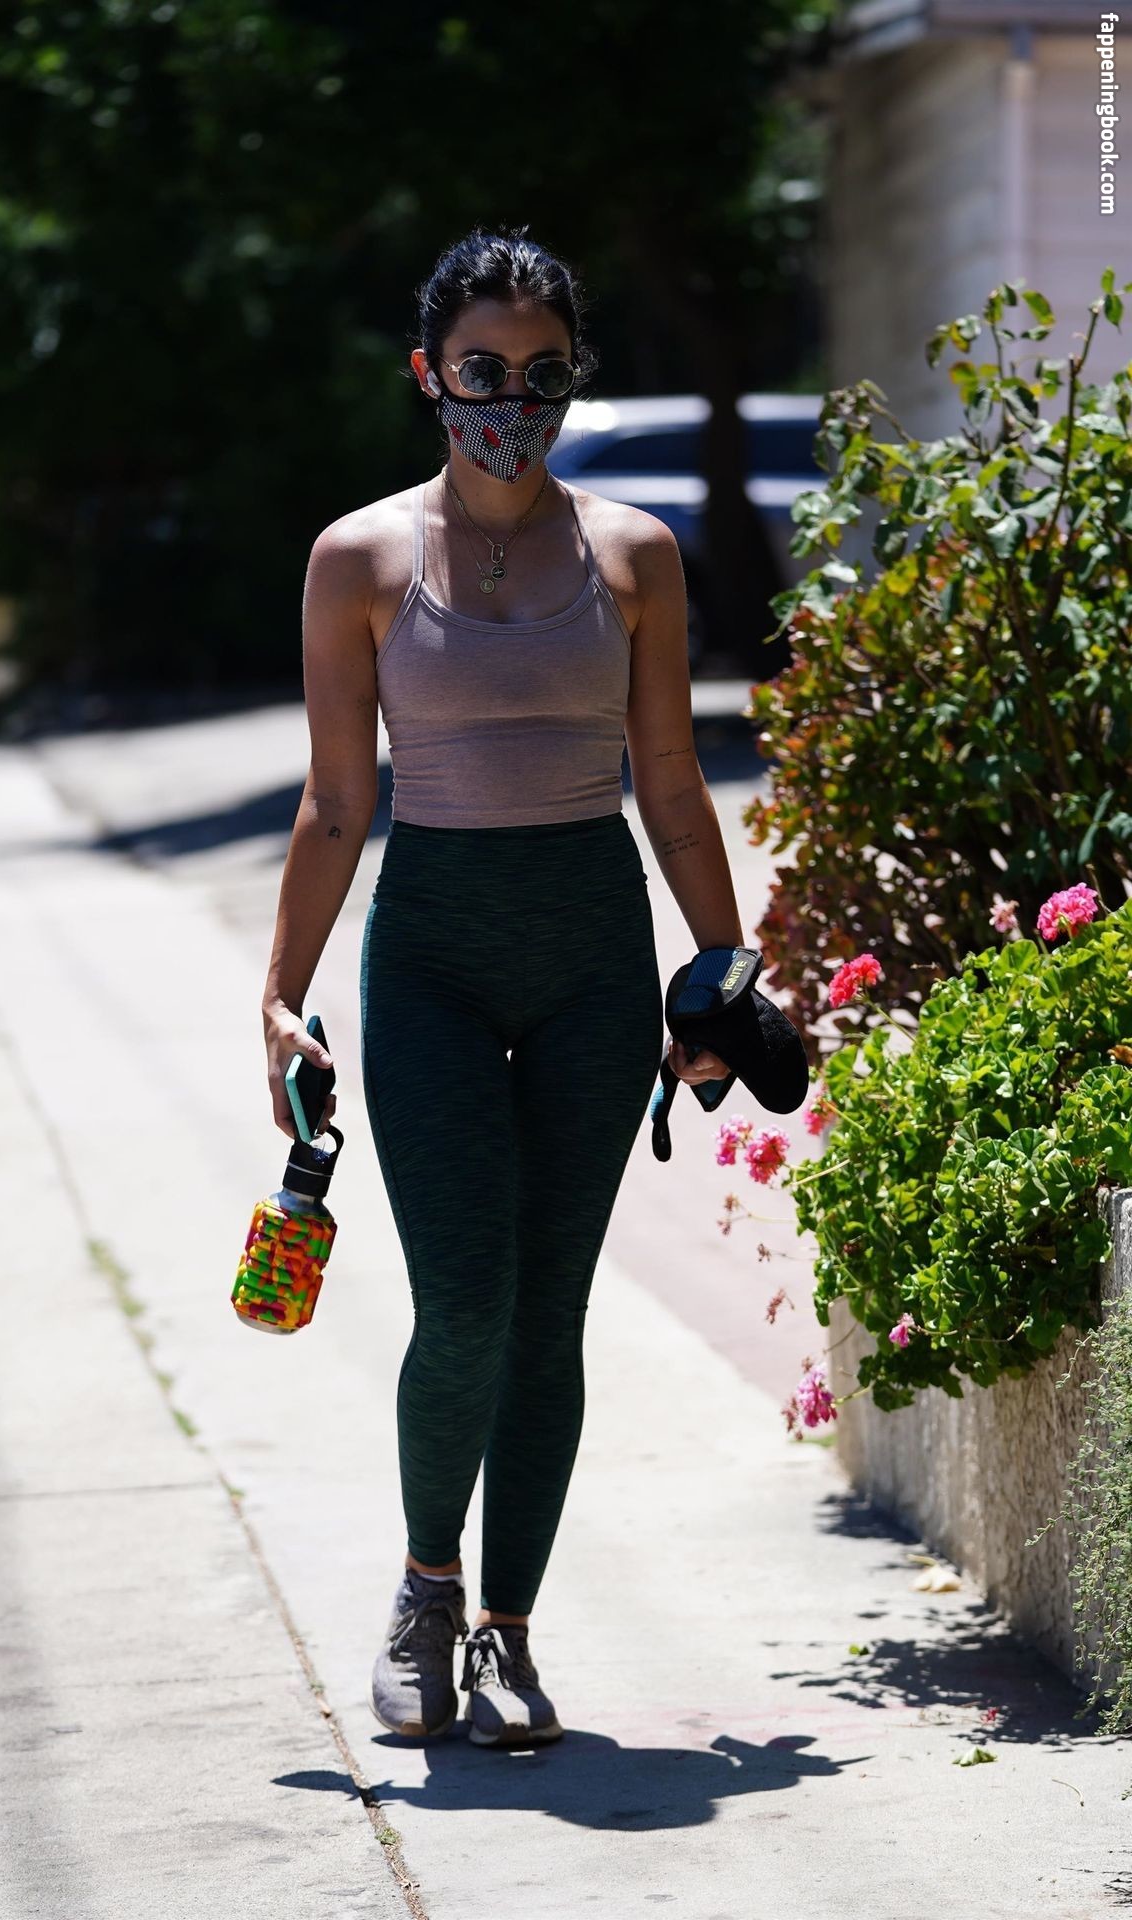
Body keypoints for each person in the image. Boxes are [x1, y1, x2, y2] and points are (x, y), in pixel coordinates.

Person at [260, 225, 743, 1749]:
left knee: (550, 1317)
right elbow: (337, 802)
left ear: (572, 380)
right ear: (430, 374)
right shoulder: (359, 560)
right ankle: (425, 1595)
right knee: (466, 1300)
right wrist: (279, 995)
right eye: (482, 371)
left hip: (593, 956)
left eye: (543, 374)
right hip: (435, 960)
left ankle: (510, 1639)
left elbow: (672, 782)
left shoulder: (634, 556)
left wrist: (719, 977)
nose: (512, 403)